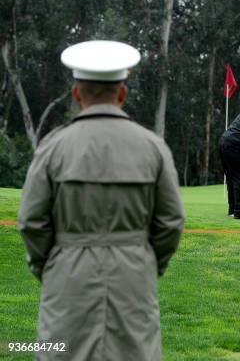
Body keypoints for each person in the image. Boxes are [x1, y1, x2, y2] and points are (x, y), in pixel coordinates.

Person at [18, 40, 185, 361]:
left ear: (76, 94)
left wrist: (51, 266)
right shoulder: (152, 147)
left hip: (68, 275)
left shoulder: (54, 147)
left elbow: (31, 221)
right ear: (122, 93)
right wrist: (147, 263)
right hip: (133, 275)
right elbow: (171, 222)